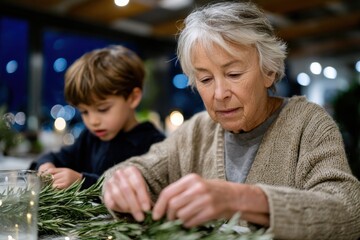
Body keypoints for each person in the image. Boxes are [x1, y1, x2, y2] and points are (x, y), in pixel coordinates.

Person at [102, 2, 360, 240]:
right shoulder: (196, 131)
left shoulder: (308, 124)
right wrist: (120, 181)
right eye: (205, 79)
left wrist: (240, 199)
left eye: (234, 74)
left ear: (268, 71)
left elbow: (349, 211)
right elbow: (136, 171)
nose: (219, 94)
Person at [34, 45, 165, 190]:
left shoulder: (154, 145)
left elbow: (140, 189)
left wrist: (82, 182)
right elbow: (52, 158)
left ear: (133, 98)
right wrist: (46, 167)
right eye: (84, 112)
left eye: (103, 109)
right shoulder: (90, 138)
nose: (93, 121)